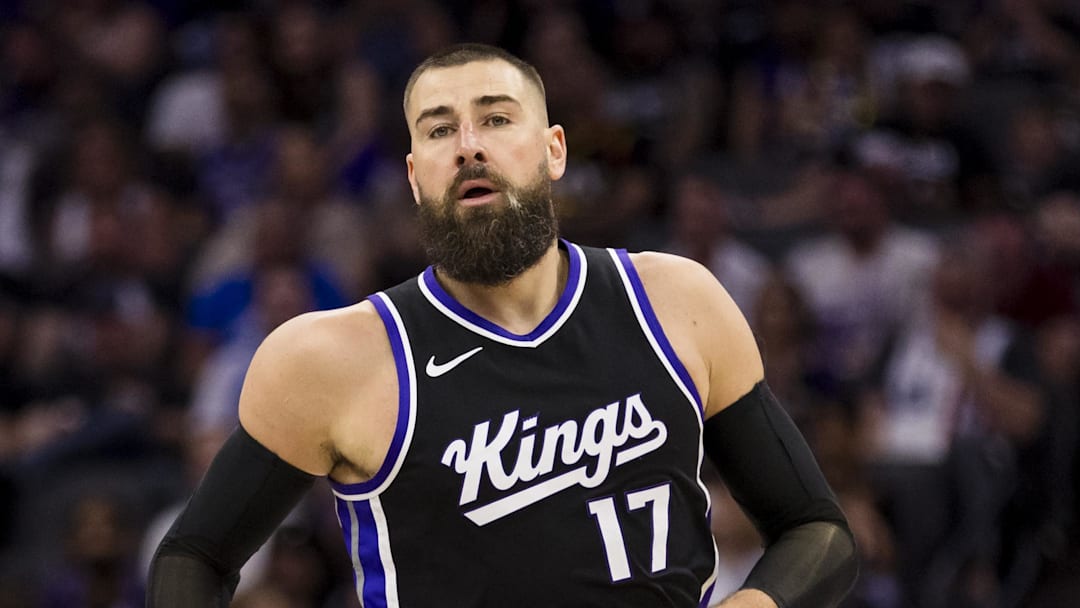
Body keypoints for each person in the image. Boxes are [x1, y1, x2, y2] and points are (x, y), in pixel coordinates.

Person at [147, 43, 857, 607]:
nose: (467, 146)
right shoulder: (334, 356)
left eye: (495, 118)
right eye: (438, 130)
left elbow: (818, 533)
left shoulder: (677, 301)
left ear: (554, 150)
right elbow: (194, 560)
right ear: (415, 175)